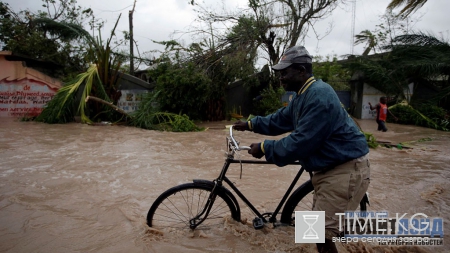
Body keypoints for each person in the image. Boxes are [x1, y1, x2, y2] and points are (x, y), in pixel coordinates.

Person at [233, 46, 370, 253]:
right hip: (327, 169)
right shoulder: (301, 95)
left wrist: (264, 147)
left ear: (302, 71)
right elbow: (281, 119)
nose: (281, 78)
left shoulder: (319, 96)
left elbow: (301, 142)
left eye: (285, 72)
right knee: (312, 232)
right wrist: (251, 124)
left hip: (343, 170)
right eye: (280, 73)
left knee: (322, 237)